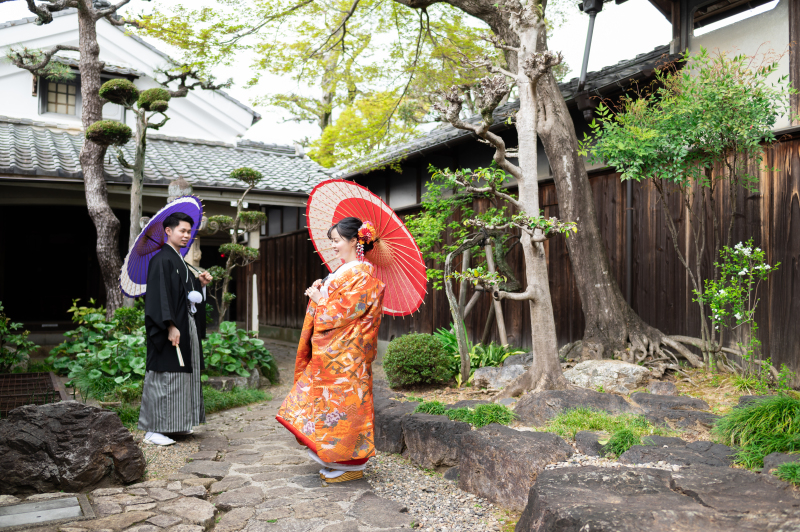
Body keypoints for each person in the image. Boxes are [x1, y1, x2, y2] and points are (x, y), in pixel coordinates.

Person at [277, 217, 385, 483]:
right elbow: (337, 304)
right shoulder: (346, 271)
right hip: (334, 354)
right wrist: (320, 291)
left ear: (353, 241)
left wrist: (320, 300)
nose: (333, 246)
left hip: (346, 358)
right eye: (332, 241)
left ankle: (350, 463)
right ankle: (334, 459)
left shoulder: (363, 275)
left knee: (344, 409)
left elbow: (345, 312)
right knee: (316, 402)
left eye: (337, 241)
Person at [139, 212, 213, 446]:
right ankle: (153, 429)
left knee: (182, 373)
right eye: (182, 230)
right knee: (165, 376)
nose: (186, 235)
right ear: (168, 231)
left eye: (189, 232)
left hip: (185, 324)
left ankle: (175, 424)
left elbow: (187, 297)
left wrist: (200, 285)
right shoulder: (162, 259)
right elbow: (159, 297)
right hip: (171, 327)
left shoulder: (180, 261)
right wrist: (169, 325)